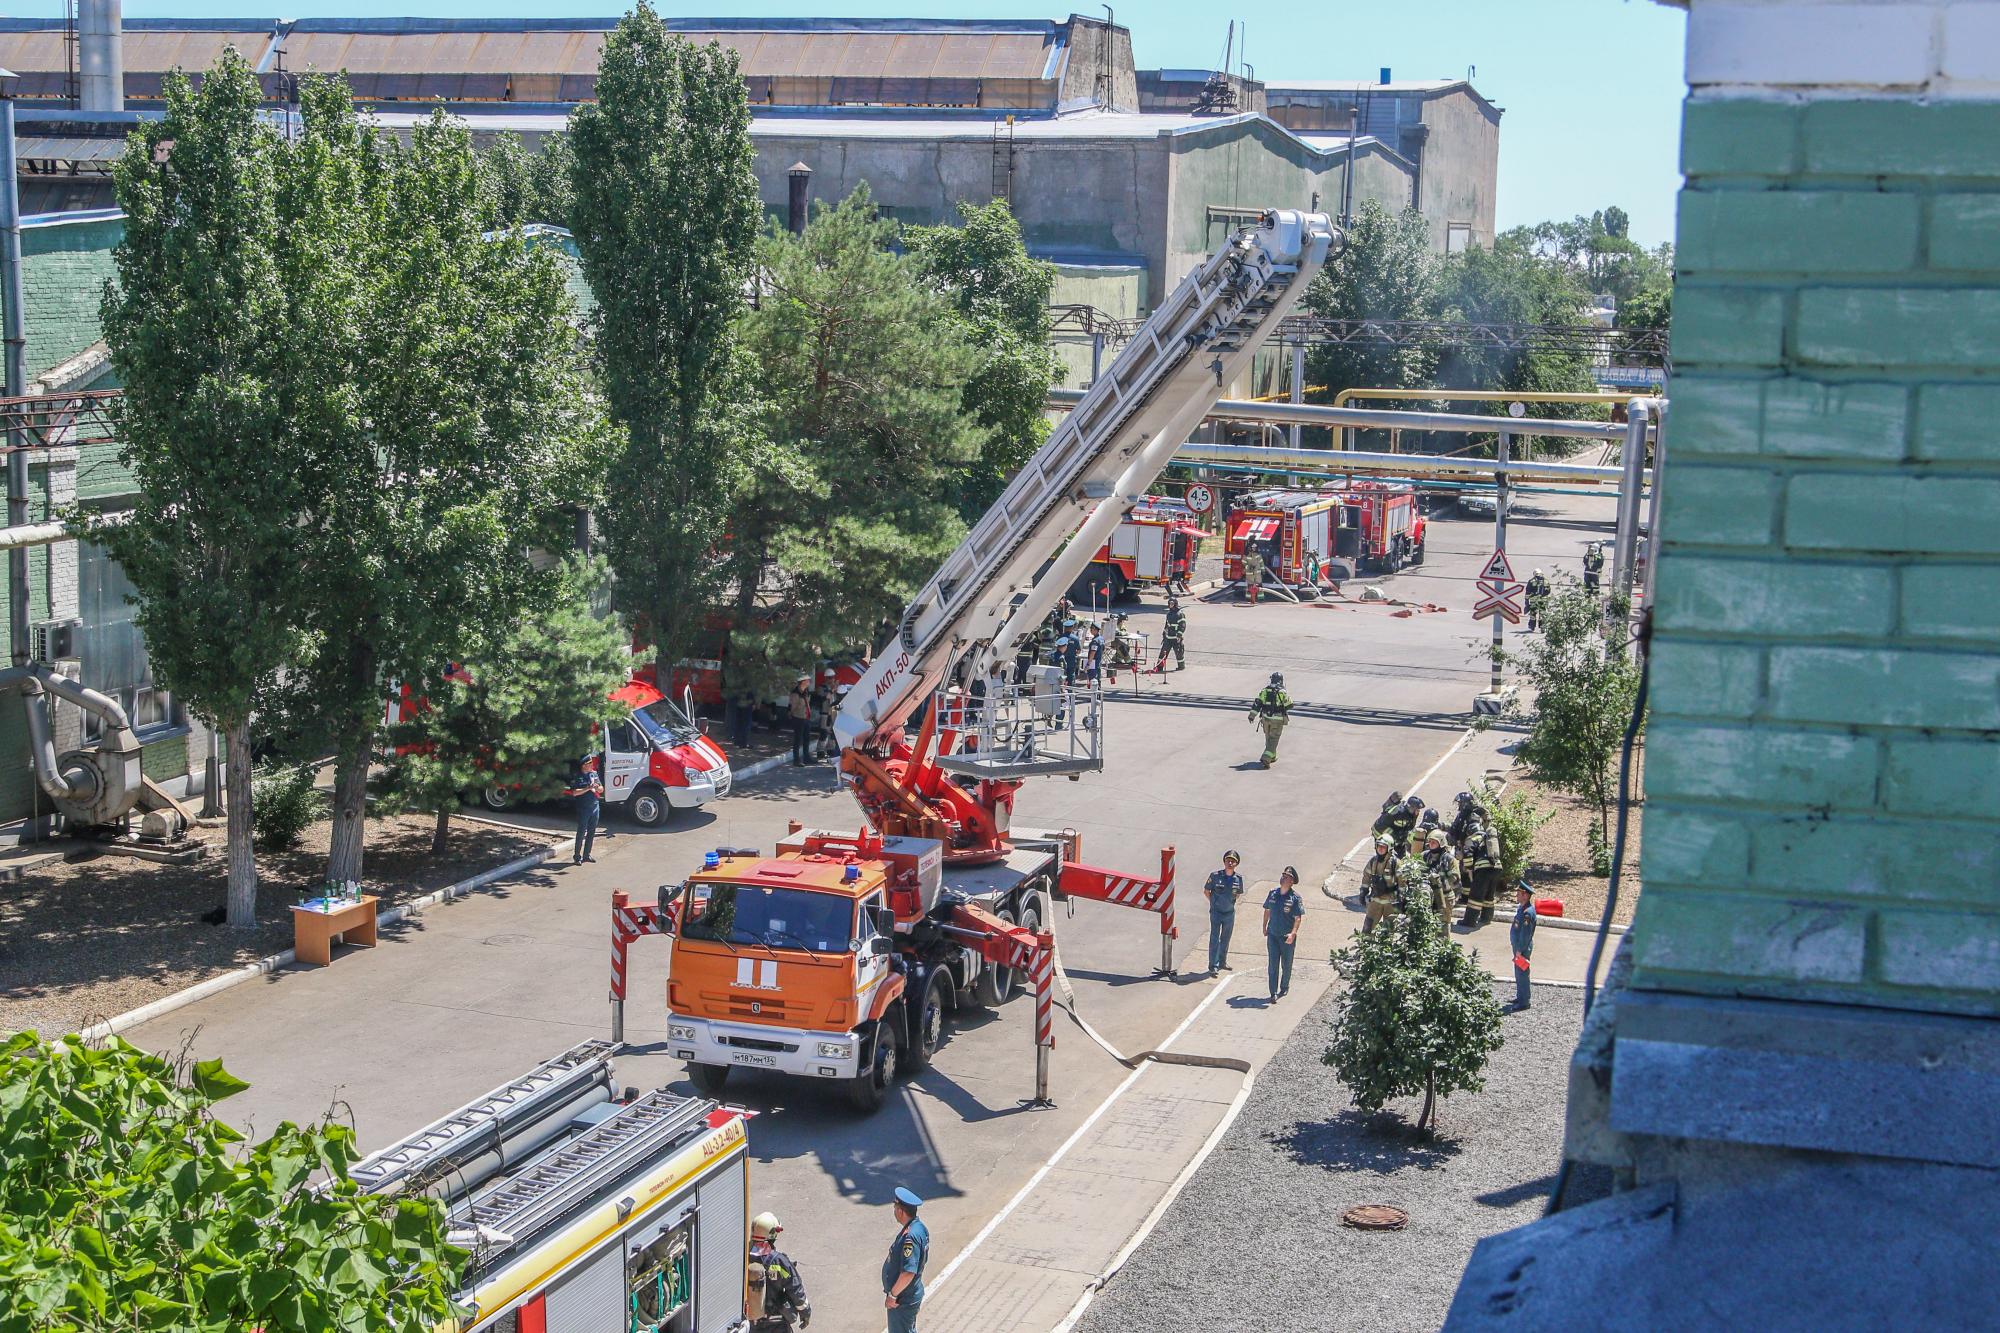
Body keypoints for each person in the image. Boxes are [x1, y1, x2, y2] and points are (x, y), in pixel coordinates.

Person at [749, 1211, 812, 1330]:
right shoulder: (778, 1261)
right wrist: (805, 1312)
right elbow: (795, 1288)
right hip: (776, 1323)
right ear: (772, 1234)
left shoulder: (744, 1258)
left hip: (750, 1323)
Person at [883, 1186, 929, 1332]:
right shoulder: (918, 1227)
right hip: (908, 1295)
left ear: (900, 1211)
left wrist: (892, 1295)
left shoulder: (910, 1237)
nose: (894, 1210)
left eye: (895, 1207)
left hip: (903, 1299)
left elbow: (908, 1272)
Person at [1263, 866, 1306, 1001]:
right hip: (1273, 935)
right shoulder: (1273, 893)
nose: (1283, 878)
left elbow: (1297, 918)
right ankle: (1273, 992)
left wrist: (1293, 933)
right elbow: (1267, 910)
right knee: (1273, 964)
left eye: (1287, 877)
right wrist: (1264, 926)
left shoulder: (1295, 898)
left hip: (1286, 937)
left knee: (1286, 964)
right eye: (1283, 875)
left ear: (1292, 881)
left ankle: (1284, 986)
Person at [1204, 850, 1245, 972]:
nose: (1230, 863)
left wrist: (1230, 903)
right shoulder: (1215, 876)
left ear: (1236, 864)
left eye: (1233, 861)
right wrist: (1214, 903)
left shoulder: (1238, 879)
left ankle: (1222, 962)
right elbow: (1207, 891)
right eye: (1228, 860)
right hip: (1216, 912)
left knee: (1226, 938)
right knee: (1215, 938)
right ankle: (1213, 965)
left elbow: (1237, 895)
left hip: (1229, 913)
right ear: (1224, 861)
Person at [1466, 813, 1504, 927]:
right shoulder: (1487, 837)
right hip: (1497, 867)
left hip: (1483, 869)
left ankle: (1469, 921)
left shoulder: (1471, 839)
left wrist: (1469, 869)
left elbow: (1468, 856)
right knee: (1489, 894)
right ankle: (1486, 918)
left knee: (1476, 895)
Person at [1249, 672, 1291, 768]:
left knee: (1268, 737)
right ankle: (1266, 757)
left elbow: (1257, 703)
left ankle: (1273, 756)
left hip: (1265, 719)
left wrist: (1252, 715)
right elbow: (1290, 705)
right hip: (1277, 720)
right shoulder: (1282, 692)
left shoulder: (1265, 690)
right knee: (1274, 738)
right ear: (1281, 681)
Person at [566, 757, 604, 865]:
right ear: (584, 765)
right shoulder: (577, 777)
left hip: (595, 806)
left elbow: (601, 789)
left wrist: (597, 788)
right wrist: (588, 788)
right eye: (590, 763)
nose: (592, 765)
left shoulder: (594, 774)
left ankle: (587, 855)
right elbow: (574, 792)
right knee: (581, 832)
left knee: (592, 832)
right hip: (583, 807)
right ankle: (577, 856)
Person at [1360, 835, 1401, 933]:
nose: (1380, 849)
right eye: (1379, 846)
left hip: (1391, 903)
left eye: (1383, 847)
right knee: (1367, 930)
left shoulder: (1396, 863)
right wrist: (1363, 892)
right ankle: (1366, 947)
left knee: (1388, 933)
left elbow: (1402, 882)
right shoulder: (1373, 862)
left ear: (1389, 848)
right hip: (1375, 900)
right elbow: (1366, 877)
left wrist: (1401, 900)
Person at [1421, 829, 1457, 937]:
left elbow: (1455, 879)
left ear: (1441, 843)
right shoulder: (1424, 856)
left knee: (1442, 928)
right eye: (1430, 842)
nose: (1431, 844)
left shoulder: (1449, 859)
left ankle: (1443, 951)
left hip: (1444, 898)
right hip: (1428, 897)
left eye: (1434, 842)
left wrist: (1439, 883)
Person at [1510, 882, 1537, 1010]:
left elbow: (1525, 934)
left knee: (1522, 974)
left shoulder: (1528, 913)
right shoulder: (1522, 908)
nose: (1517, 895)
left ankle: (1524, 1001)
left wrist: (1519, 950)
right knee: (1518, 972)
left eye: (1519, 893)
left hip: (1522, 948)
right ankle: (1520, 996)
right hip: (1518, 947)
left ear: (1525, 895)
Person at [1154, 597, 1187, 672]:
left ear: (1175, 604)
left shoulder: (1180, 614)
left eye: (1172, 603)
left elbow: (1183, 625)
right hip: (1168, 637)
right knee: (1163, 653)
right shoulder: (1169, 613)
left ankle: (1181, 666)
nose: (1170, 605)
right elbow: (1167, 624)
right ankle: (1159, 667)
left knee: (1179, 653)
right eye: (1169, 603)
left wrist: (1179, 635)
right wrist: (1164, 633)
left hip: (1176, 638)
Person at [788, 678, 814, 766]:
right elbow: (792, 707)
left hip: (806, 718)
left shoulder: (805, 691)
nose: (809, 682)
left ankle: (806, 757)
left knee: (807, 739)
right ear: (802, 682)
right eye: (807, 680)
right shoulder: (795, 693)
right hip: (798, 718)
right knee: (798, 740)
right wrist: (792, 715)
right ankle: (796, 760)